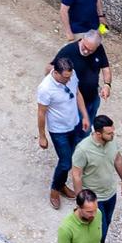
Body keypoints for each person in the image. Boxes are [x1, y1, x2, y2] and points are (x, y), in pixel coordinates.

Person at [67, 114, 122, 243]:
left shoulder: (112, 142)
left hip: (110, 194)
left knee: (104, 227)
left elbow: (118, 159)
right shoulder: (83, 149)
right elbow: (76, 174)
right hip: (94, 199)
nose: (113, 135)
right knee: (100, 228)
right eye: (109, 133)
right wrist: (81, 200)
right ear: (98, 133)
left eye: (113, 132)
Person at [35, 54, 89, 210]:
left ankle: (61, 185)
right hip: (59, 131)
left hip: (74, 124)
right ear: (56, 73)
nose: (68, 80)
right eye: (65, 78)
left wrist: (84, 115)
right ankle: (54, 190)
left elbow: (77, 93)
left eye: (69, 76)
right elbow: (41, 113)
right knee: (66, 162)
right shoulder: (45, 89)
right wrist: (42, 136)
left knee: (69, 160)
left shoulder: (70, 76)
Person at [56, 29, 111, 126]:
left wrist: (107, 85)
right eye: (85, 47)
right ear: (83, 39)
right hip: (74, 102)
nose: (86, 51)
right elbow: (51, 69)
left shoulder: (99, 49)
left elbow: (105, 68)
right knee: (79, 128)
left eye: (91, 50)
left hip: (93, 99)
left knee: (88, 125)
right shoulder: (68, 51)